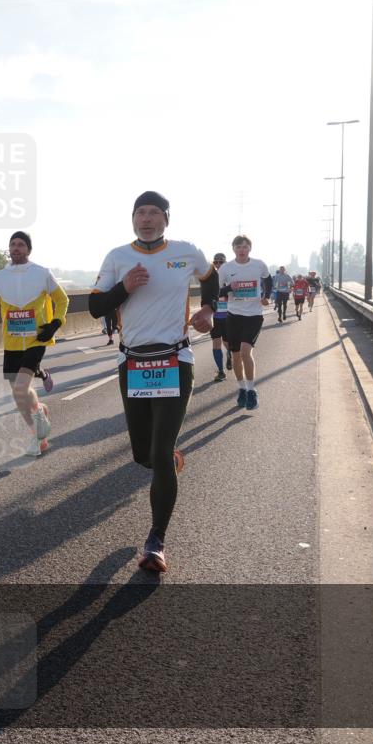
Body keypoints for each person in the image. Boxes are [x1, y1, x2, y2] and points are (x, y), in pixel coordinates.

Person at [89, 191, 217, 574]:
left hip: (176, 359)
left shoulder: (186, 252)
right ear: (132, 219)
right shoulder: (118, 257)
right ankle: (168, 460)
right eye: (140, 213)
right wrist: (124, 287)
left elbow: (211, 280)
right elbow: (96, 307)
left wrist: (208, 309)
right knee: (143, 455)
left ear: (166, 219)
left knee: (160, 452)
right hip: (133, 364)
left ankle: (156, 542)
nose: (146, 219)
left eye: (154, 213)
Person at [0, 231, 68, 457]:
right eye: (13, 245)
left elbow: (62, 300)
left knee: (20, 388)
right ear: (9, 250)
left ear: (28, 249)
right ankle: (38, 429)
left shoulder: (42, 273)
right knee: (19, 392)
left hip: (35, 339)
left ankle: (38, 427)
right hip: (11, 343)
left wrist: (55, 323)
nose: (16, 248)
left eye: (21, 245)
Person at [217, 235, 271, 410]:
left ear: (250, 249)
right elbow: (217, 291)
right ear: (233, 249)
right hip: (233, 315)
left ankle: (251, 390)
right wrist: (229, 288)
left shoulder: (259, 264)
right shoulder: (225, 268)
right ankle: (241, 388)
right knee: (236, 356)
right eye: (238, 246)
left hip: (254, 315)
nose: (242, 249)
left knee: (246, 352)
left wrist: (266, 296)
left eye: (245, 246)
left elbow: (268, 279)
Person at [208, 252, 231, 382]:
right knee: (216, 344)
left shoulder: (230, 277)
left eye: (220, 262)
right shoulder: (210, 278)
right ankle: (221, 371)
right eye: (215, 262)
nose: (217, 264)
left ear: (225, 262)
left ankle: (230, 354)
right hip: (215, 316)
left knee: (227, 343)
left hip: (228, 316)